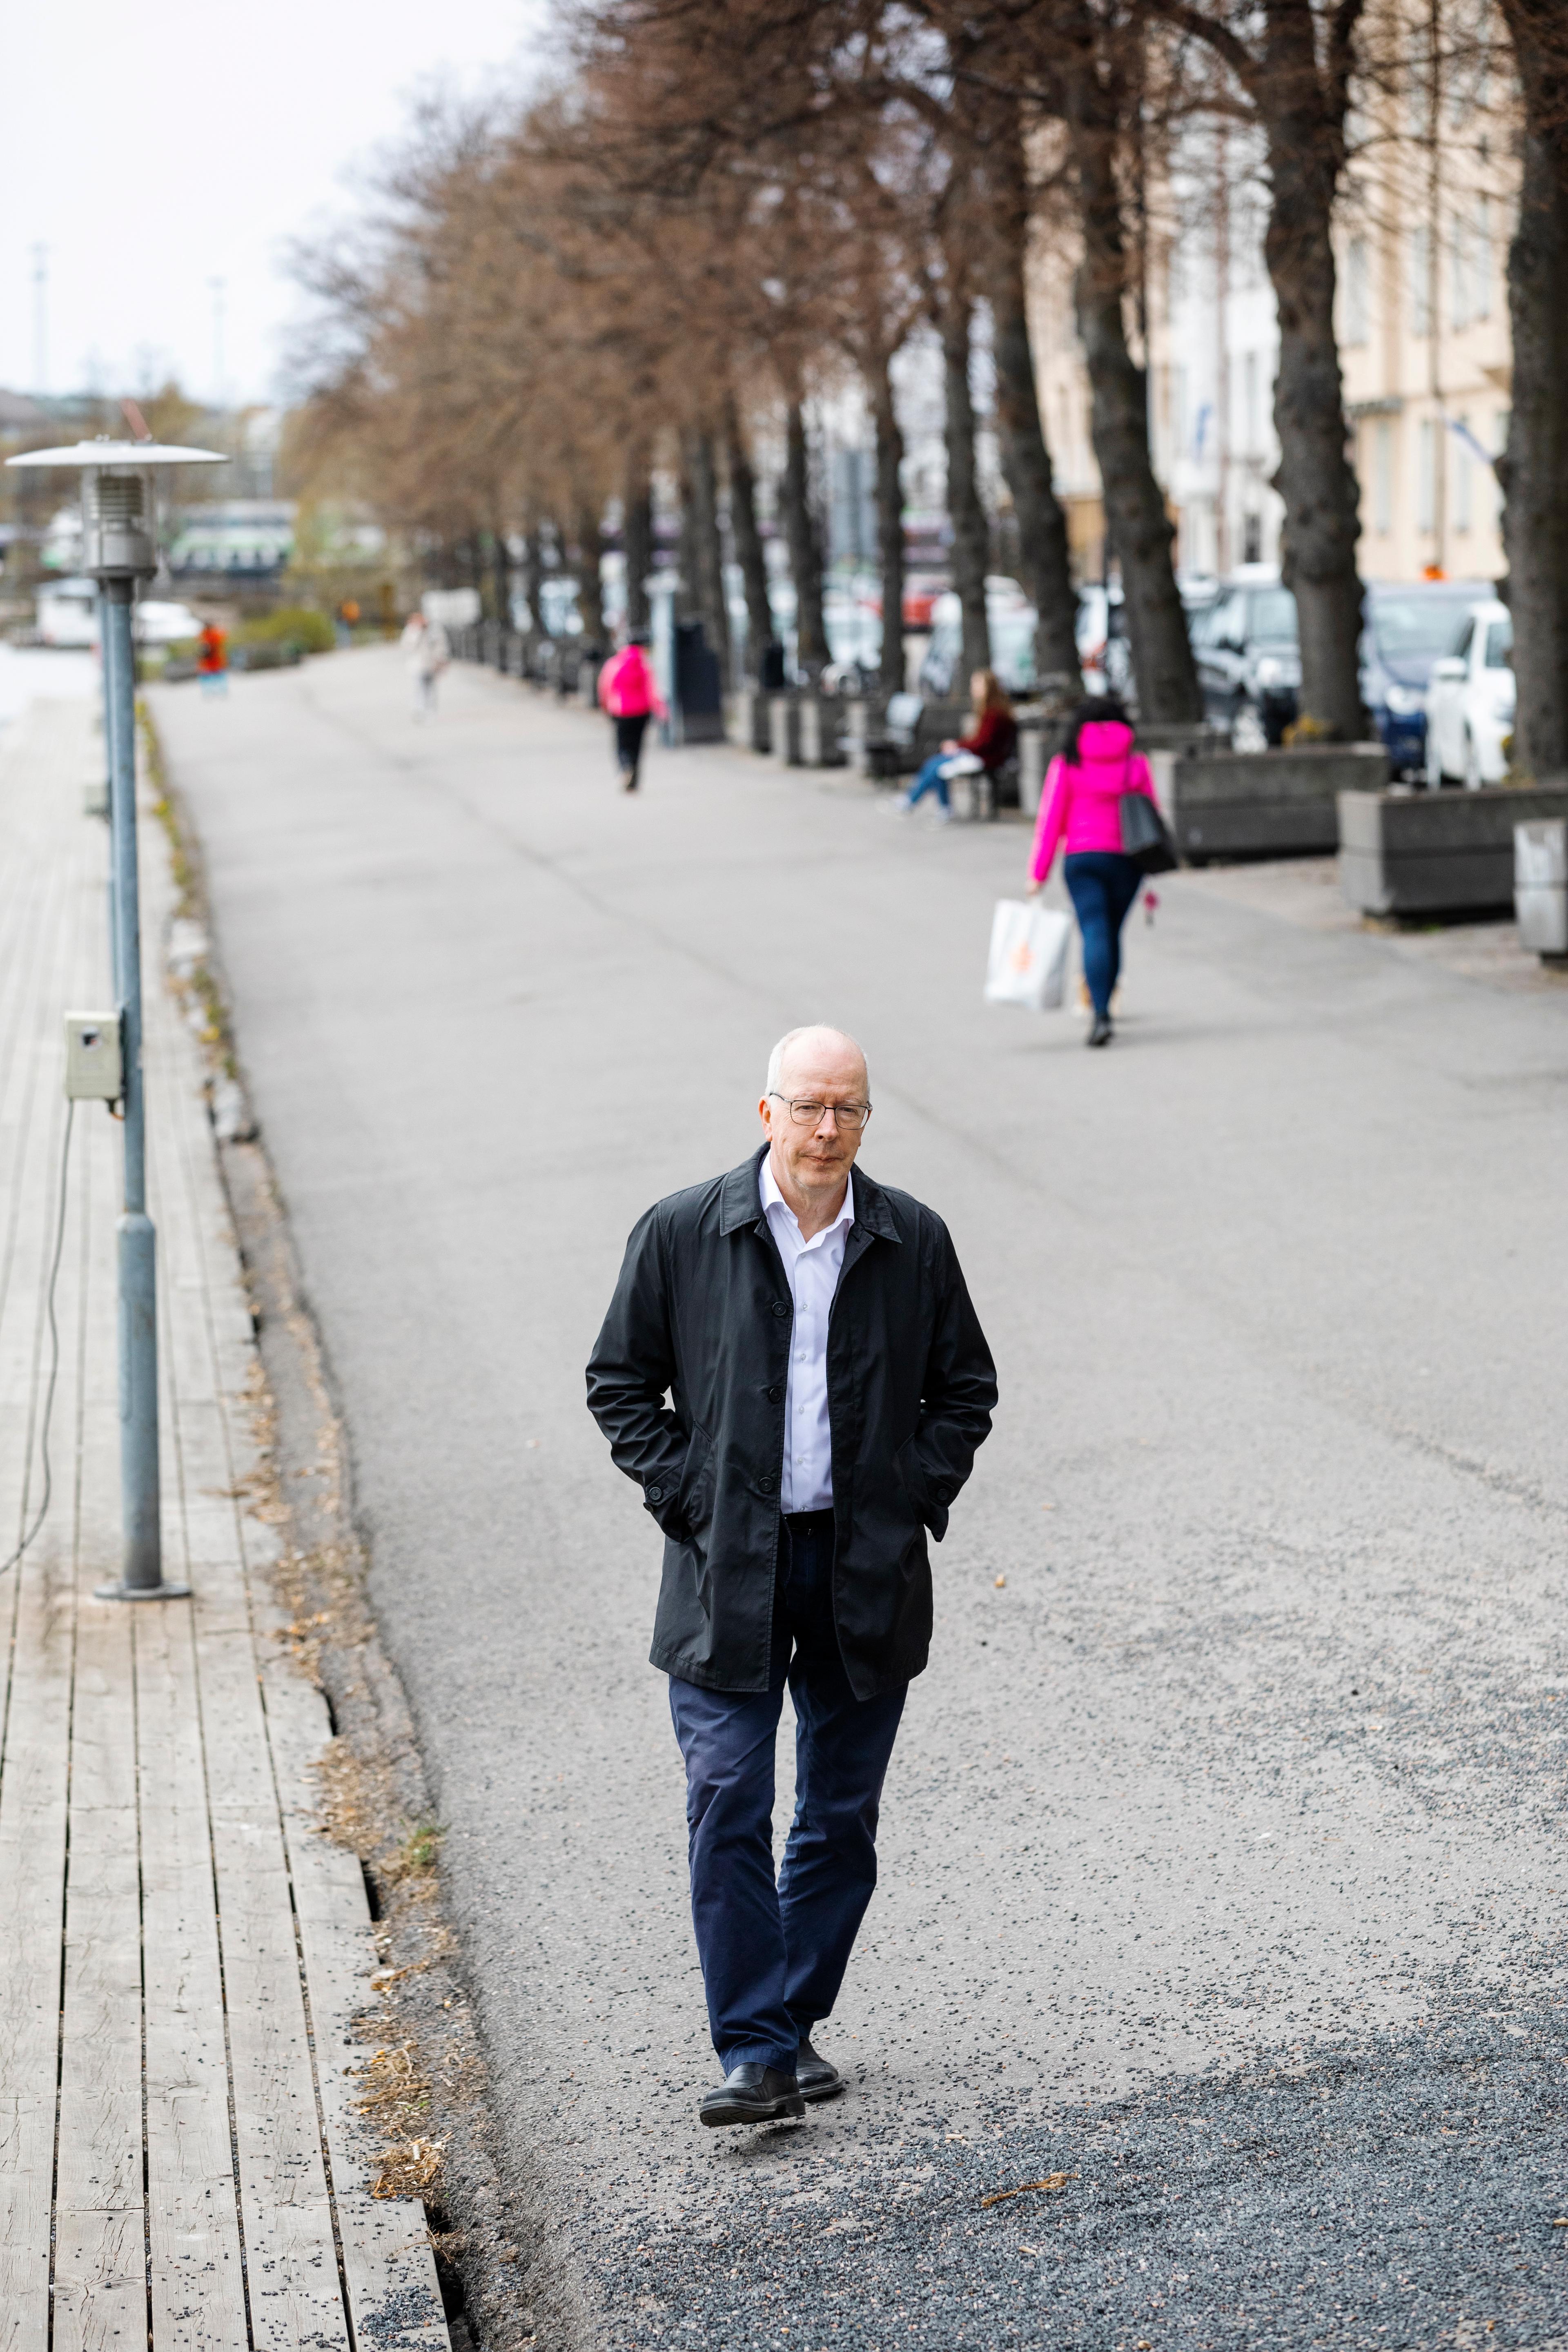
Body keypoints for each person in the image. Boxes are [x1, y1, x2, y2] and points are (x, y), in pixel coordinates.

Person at [586, 1026, 996, 2128]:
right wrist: (693, 1499)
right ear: (765, 1111)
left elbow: (966, 1388)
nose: (827, 1129)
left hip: (862, 1564)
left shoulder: (912, 1239)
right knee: (727, 1797)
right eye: (808, 1106)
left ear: (867, 1118)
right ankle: (755, 2052)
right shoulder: (684, 1231)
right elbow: (620, 1381)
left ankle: (794, 2019)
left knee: (839, 1813)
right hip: (728, 1569)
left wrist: (911, 1491)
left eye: (847, 1109)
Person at [1026, 695, 1158, 1048]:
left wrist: (1037, 874)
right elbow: (1152, 814)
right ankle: (1105, 1007)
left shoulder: (1067, 762)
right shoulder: (1135, 763)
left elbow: (1051, 821)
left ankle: (1099, 1014)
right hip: (1126, 860)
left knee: (1094, 930)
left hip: (1082, 859)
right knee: (1112, 932)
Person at [890, 669, 1017, 824]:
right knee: (935, 763)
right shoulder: (990, 710)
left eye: (978, 684)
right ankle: (919, 801)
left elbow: (983, 743)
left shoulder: (994, 713)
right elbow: (980, 740)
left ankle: (917, 802)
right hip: (981, 754)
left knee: (938, 767)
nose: (974, 688)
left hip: (986, 758)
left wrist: (957, 745)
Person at [597, 633, 667, 791]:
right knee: (637, 745)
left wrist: (605, 707)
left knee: (622, 745)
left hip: (620, 711)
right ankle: (634, 779)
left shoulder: (615, 663)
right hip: (642, 711)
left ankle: (625, 767)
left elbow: (605, 687)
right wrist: (660, 710)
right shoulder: (646, 664)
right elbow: (653, 690)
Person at [401, 610, 450, 719]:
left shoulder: (434, 630)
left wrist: (442, 660)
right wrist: (417, 632)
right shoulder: (411, 631)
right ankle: (419, 709)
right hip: (418, 665)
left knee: (432, 687)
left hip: (433, 664)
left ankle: (431, 710)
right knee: (419, 687)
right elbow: (407, 647)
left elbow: (441, 645)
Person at [196, 619, 228, 699]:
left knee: (210, 678)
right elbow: (223, 636)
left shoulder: (203, 635)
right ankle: (220, 692)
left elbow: (200, 646)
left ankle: (210, 693)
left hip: (210, 661)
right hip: (215, 660)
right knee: (218, 677)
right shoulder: (214, 634)